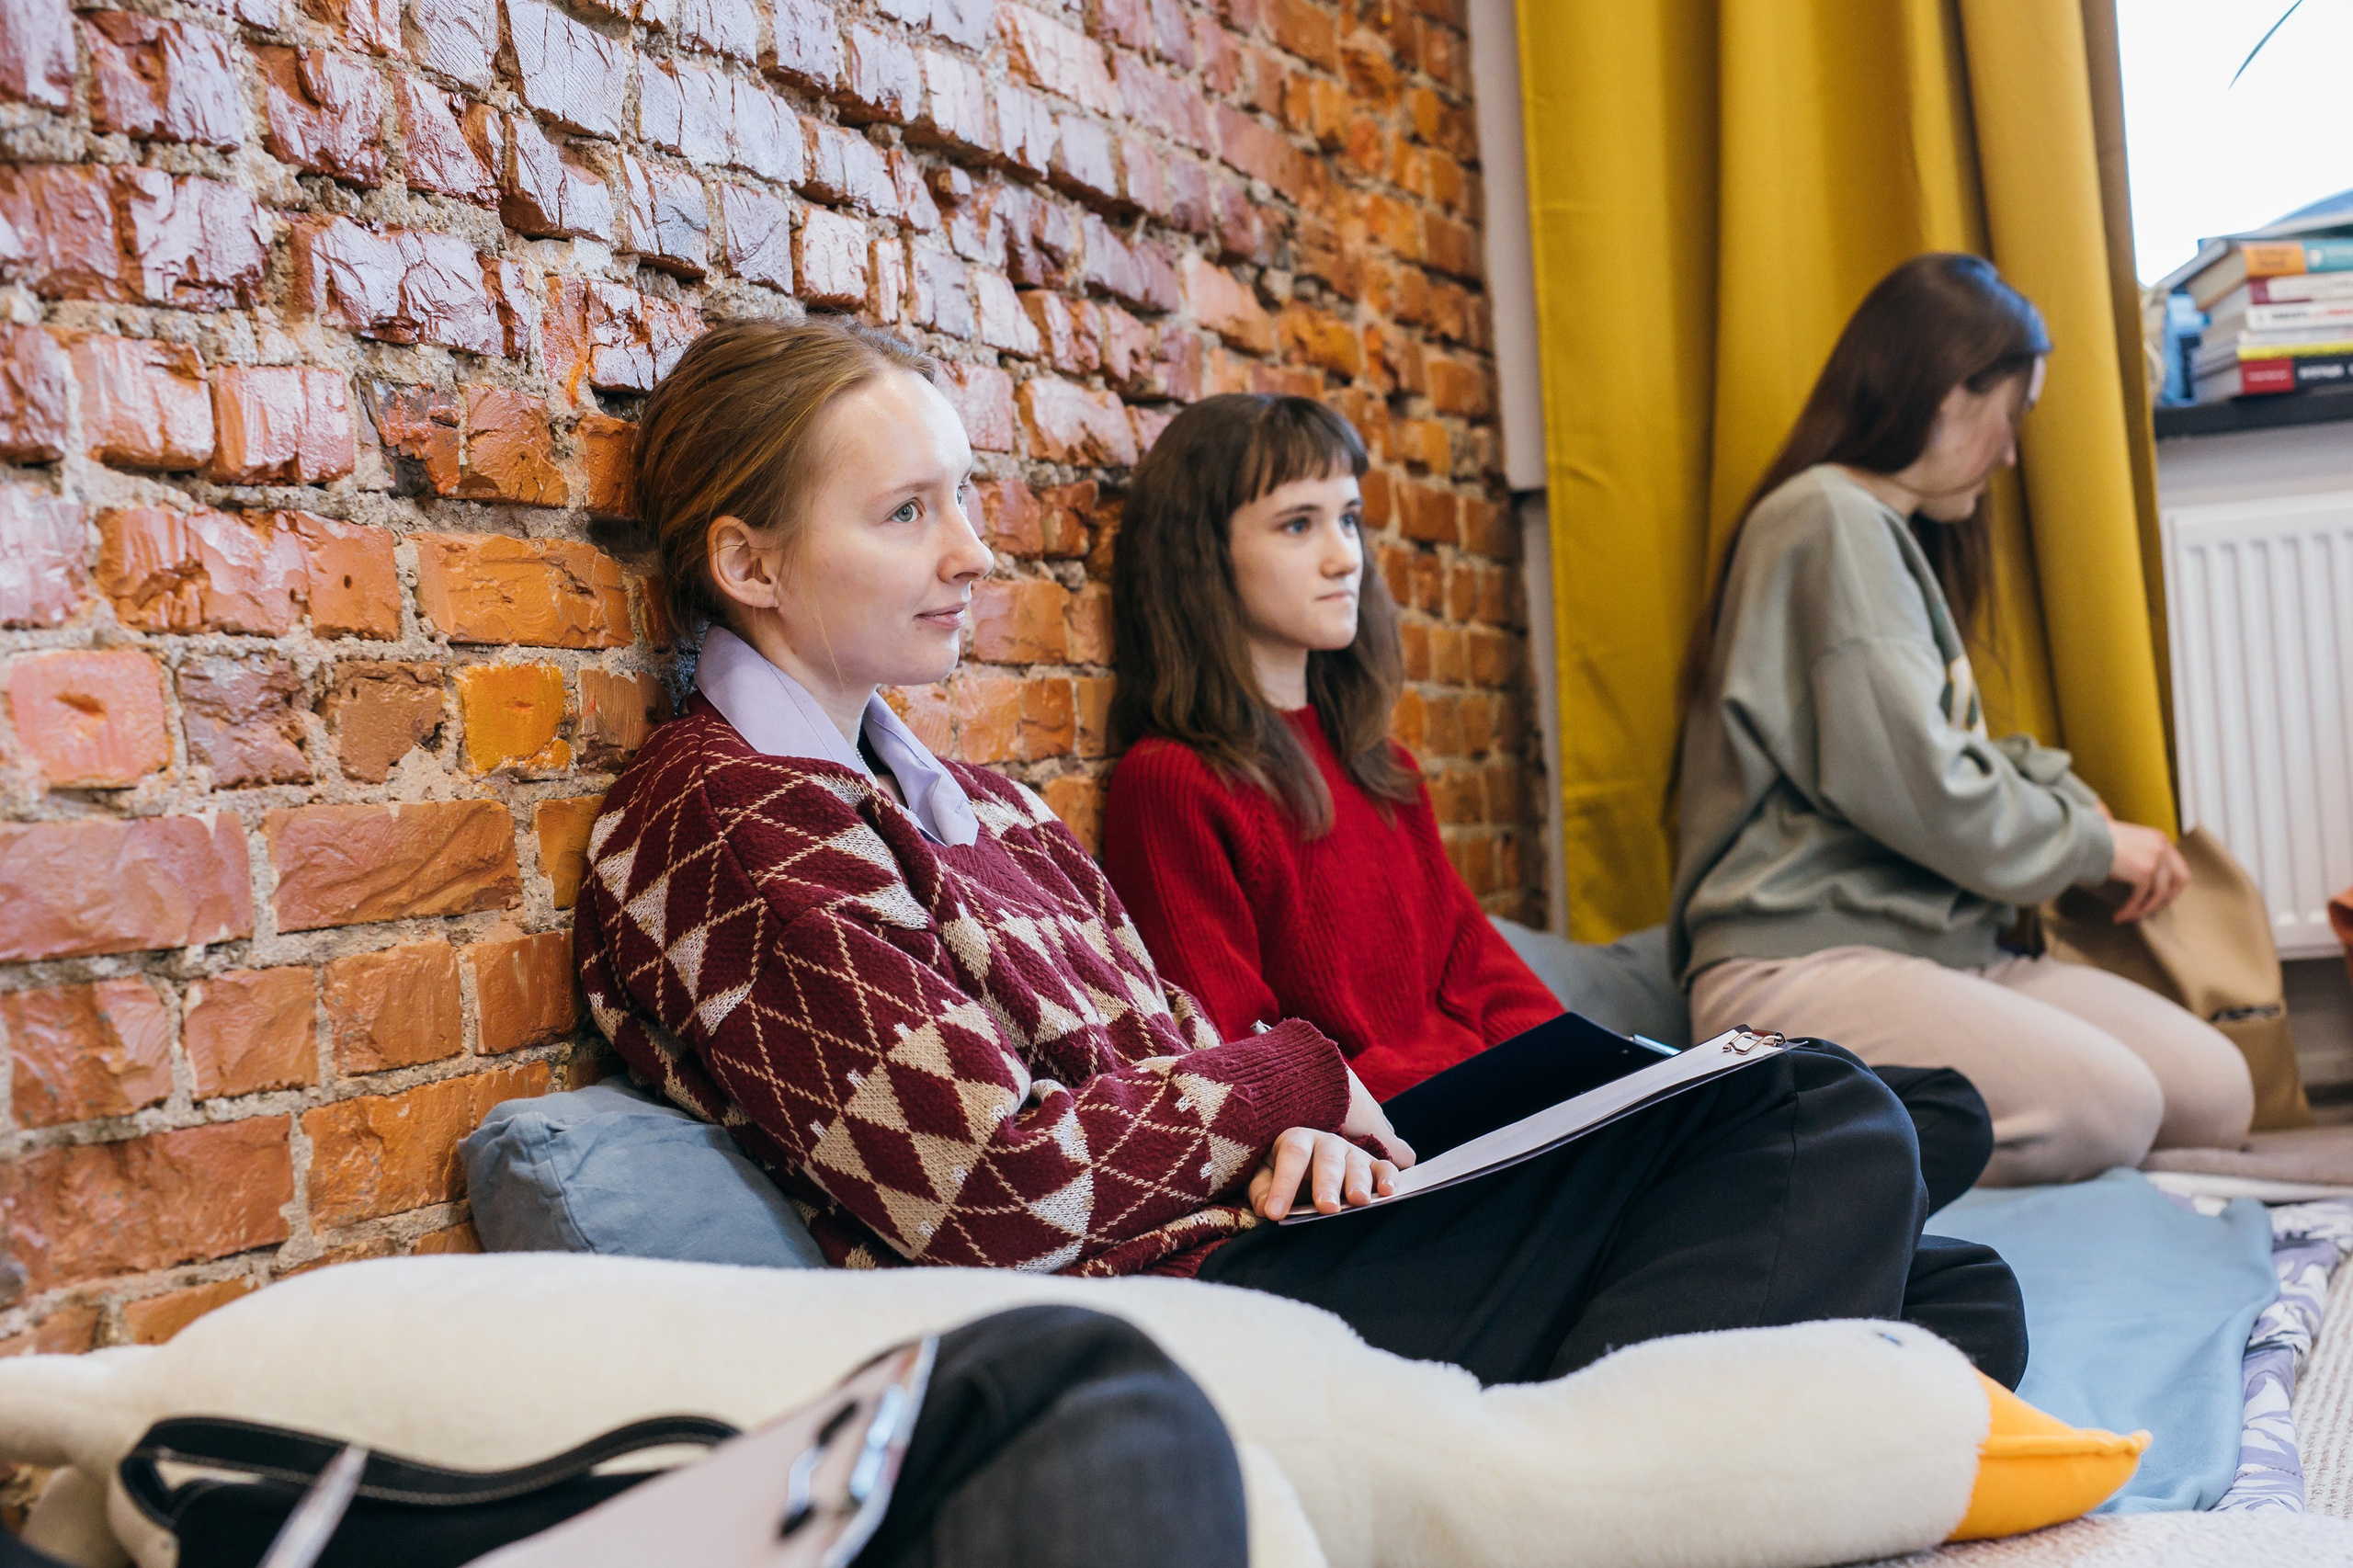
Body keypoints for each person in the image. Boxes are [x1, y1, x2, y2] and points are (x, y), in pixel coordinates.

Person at [575, 316, 2025, 1388]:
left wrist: (1298, 1128)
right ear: (749, 563)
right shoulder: (730, 817)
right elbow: (999, 1193)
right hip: (1183, 1320)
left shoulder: (983, 803)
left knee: (1955, 1289)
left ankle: (1575, 1433)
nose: (973, 551)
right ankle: (1536, 1480)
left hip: (1263, 1232)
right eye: (909, 513)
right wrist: (1296, 1083)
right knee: (1818, 1128)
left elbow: (1178, 1046)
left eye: (961, 497)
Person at [1097, 391, 1998, 1211]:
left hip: (1514, 1111)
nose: (1345, 557)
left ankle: (1779, 1213)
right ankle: (1789, 1212)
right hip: (1415, 1143)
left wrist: (1611, 1076)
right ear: (1203, 557)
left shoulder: (1382, 770)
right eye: (1298, 525)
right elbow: (1232, 1051)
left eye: (1349, 519)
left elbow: (1483, 974)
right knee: (1852, 1129)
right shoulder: (1173, 781)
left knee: (1923, 1103)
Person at [1671, 253, 2255, 1188]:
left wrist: (2065, 799)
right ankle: (1782, 1138)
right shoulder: (1828, 519)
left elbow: (1930, 747)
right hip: (1800, 963)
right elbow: (1924, 788)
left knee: (2215, 1092)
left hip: (1941, 951)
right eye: (2010, 415)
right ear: (1949, 393)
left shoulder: (1875, 529)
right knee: (2112, 1105)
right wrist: (2091, 845)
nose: (2012, 453)